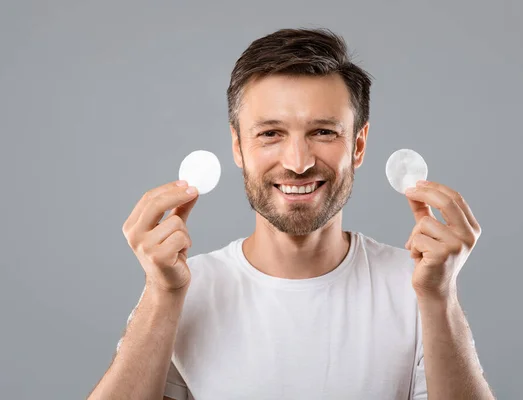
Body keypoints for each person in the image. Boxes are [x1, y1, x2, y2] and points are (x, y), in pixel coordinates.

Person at [88, 28, 495, 400]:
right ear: (238, 146)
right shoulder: (183, 291)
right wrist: (163, 294)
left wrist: (440, 298)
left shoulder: (417, 288)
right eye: (270, 134)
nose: (298, 162)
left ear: (358, 145)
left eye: (323, 132)